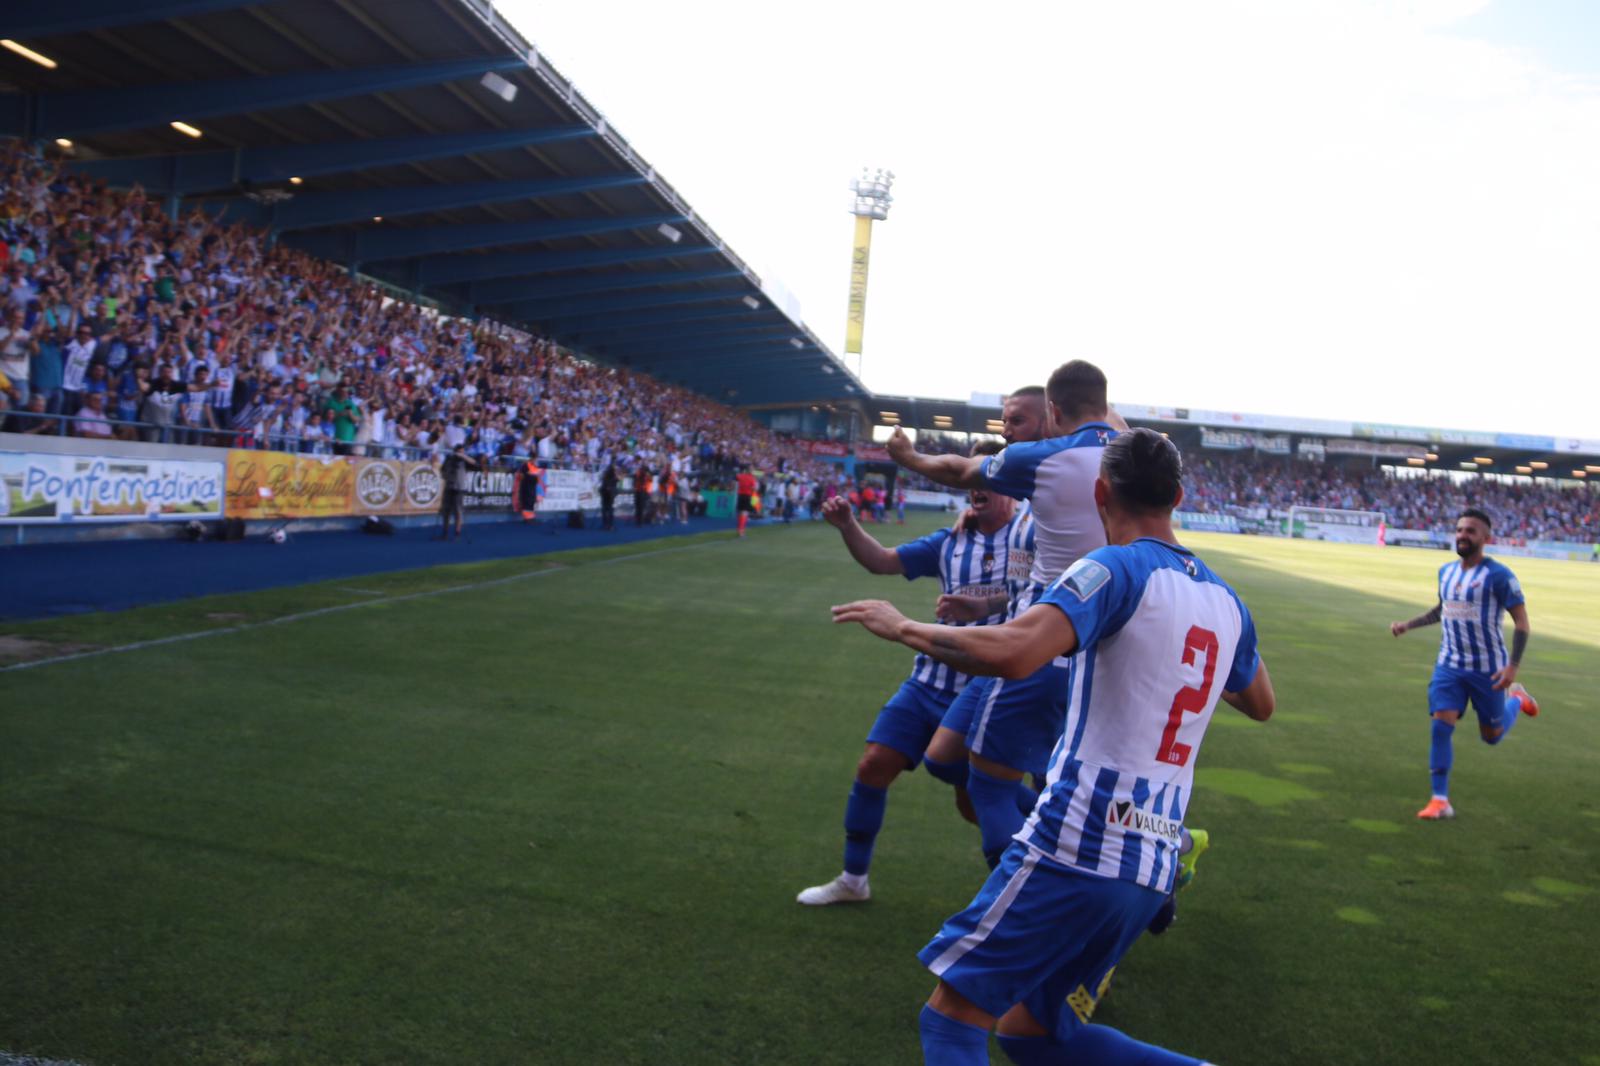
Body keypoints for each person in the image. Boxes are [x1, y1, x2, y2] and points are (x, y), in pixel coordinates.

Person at [832, 428, 1275, 1065]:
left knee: (952, 1021)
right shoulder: (1227, 600)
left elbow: (1015, 652)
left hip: (1080, 842)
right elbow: (1260, 702)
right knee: (1031, 1035)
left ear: (1101, 493)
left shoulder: (1113, 567)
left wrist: (903, 626)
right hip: (1152, 862)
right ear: (1177, 496)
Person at [797, 442, 1015, 907]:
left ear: (1013, 487)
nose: (976, 489)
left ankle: (1056, 860)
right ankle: (854, 879)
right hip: (930, 681)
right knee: (873, 765)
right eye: (969, 480)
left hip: (989, 692)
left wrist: (989, 605)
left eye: (987, 480)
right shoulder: (950, 541)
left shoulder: (1036, 538)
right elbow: (882, 560)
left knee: (977, 803)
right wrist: (848, 525)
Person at [1389, 507, 1538, 820]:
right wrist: (1407, 625)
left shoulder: (1499, 575)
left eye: (1470, 531)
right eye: (1459, 530)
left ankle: (1518, 699)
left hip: (1489, 669)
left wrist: (1513, 666)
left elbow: (1522, 622)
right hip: (1450, 665)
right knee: (1440, 726)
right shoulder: (1446, 572)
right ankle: (1439, 800)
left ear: (1485, 538)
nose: (1462, 536)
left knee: (1492, 736)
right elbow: (1442, 610)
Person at [437, 442, 482, 541]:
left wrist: (463, 456)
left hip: (459, 488)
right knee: (446, 511)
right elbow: (442, 471)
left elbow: (475, 463)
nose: (459, 454)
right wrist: (446, 475)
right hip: (449, 487)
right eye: (458, 451)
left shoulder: (464, 461)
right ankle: (445, 532)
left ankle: (457, 532)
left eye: (461, 452)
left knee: (458, 511)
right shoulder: (449, 459)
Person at [514, 456, 545, 522]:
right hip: (526, 486)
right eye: (535, 459)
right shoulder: (526, 465)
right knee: (527, 501)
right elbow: (522, 476)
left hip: (533, 486)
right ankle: (527, 517)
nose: (536, 461)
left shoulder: (535, 466)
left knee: (532, 501)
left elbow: (537, 476)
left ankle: (531, 517)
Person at [735, 466, 757, 537]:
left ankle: (739, 528)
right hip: (747, 496)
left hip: (740, 495)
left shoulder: (740, 476)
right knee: (745, 513)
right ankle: (741, 531)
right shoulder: (752, 478)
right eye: (752, 470)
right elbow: (754, 489)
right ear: (750, 471)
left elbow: (735, 478)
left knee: (740, 512)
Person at [599, 461, 618, 531]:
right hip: (609, 495)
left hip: (606, 495)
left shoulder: (606, 476)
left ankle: (606, 524)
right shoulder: (612, 477)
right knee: (609, 511)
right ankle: (609, 525)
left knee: (605, 510)